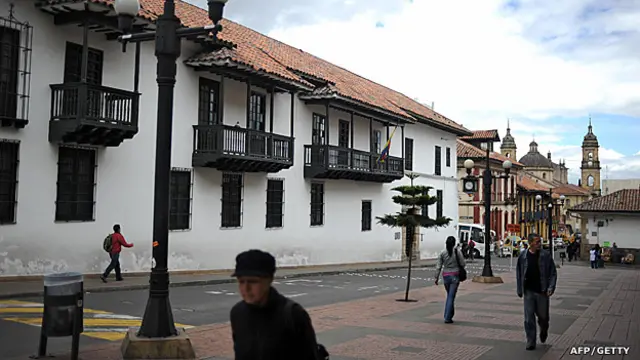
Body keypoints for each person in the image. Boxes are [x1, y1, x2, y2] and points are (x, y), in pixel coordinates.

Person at [229, 249, 324, 360]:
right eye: (241, 281)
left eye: (253, 281)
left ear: (269, 280)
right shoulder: (237, 313)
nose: (246, 289)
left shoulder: (292, 314)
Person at [516, 233, 557, 351]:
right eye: (537, 242)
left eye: (540, 241)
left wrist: (551, 287)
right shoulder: (523, 256)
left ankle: (544, 330)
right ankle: (531, 341)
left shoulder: (545, 255)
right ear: (530, 243)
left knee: (543, 317)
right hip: (528, 292)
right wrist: (519, 289)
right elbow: (519, 273)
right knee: (529, 318)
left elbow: (553, 273)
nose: (539, 244)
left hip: (542, 292)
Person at [435, 236, 466, 324]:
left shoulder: (442, 253)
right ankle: (447, 317)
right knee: (451, 297)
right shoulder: (457, 252)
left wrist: (436, 277)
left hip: (446, 276)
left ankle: (449, 315)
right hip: (455, 276)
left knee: (449, 295)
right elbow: (463, 263)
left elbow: (438, 266)